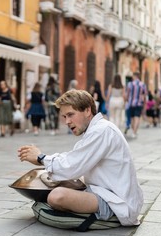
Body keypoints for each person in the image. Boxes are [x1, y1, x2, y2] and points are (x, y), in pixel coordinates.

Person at [17, 89, 143, 226]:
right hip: (102, 190)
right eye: (64, 117)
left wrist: (41, 158)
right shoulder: (96, 129)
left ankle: (105, 217)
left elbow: (72, 166)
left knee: (56, 196)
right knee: (60, 181)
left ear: (88, 111)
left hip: (116, 201)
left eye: (71, 115)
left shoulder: (102, 131)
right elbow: (73, 159)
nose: (67, 121)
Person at [125, 72, 147, 138]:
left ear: (135, 76)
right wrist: (144, 104)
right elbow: (145, 95)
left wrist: (127, 101)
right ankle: (135, 132)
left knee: (132, 118)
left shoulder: (130, 84)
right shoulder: (142, 84)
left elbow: (127, 94)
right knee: (137, 117)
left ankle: (133, 131)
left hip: (131, 104)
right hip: (139, 103)